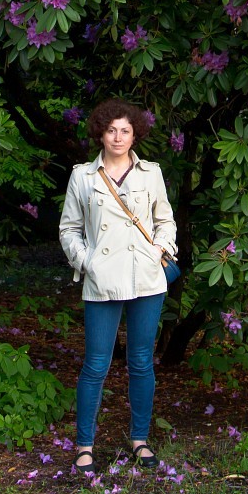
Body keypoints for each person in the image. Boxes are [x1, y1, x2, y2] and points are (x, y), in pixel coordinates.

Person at [59, 97, 178, 474]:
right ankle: (84, 446)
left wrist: (161, 248)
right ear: (100, 133)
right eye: (111, 130)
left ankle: (140, 440)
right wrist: (87, 262)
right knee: (96, 364)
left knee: (142, 361)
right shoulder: (83, 176)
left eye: (125, 130)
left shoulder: (150, 173)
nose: (118, 137)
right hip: (102, 280)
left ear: (135, 134)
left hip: (146, 278)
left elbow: (166, 221)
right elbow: (69, 230)